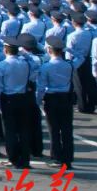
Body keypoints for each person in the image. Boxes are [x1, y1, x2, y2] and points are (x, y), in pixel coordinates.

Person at [0, 36, 33, 169]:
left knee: (10, 130)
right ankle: (25, 158)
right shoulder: (25, 63)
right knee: (23, 130)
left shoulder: (1, 65)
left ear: (5, 50)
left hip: (8, 99)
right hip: (22, 98)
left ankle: (13, 158)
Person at [37, 35, 74, 169]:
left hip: (52, 98)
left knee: (54, 130)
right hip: (66, 98)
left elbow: (41, 87)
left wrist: (38, 101)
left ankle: (57, 157)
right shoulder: (68, 65)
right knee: (67, 129)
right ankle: (68, 158)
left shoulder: (46, 67)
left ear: (49, 50)